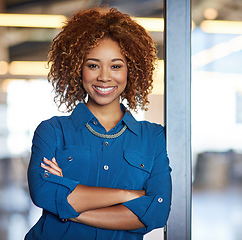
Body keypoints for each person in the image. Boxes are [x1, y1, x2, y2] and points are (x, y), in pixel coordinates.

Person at [25, 7, 172, 240]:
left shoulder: (153, 138)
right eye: (93, 65)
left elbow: (155, 213)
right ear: (77, 69)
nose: (104, 76)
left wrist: (69, 208)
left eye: (116, 66)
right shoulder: (52, 131)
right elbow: (44, 193)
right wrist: (129, 195)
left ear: (131, 71)